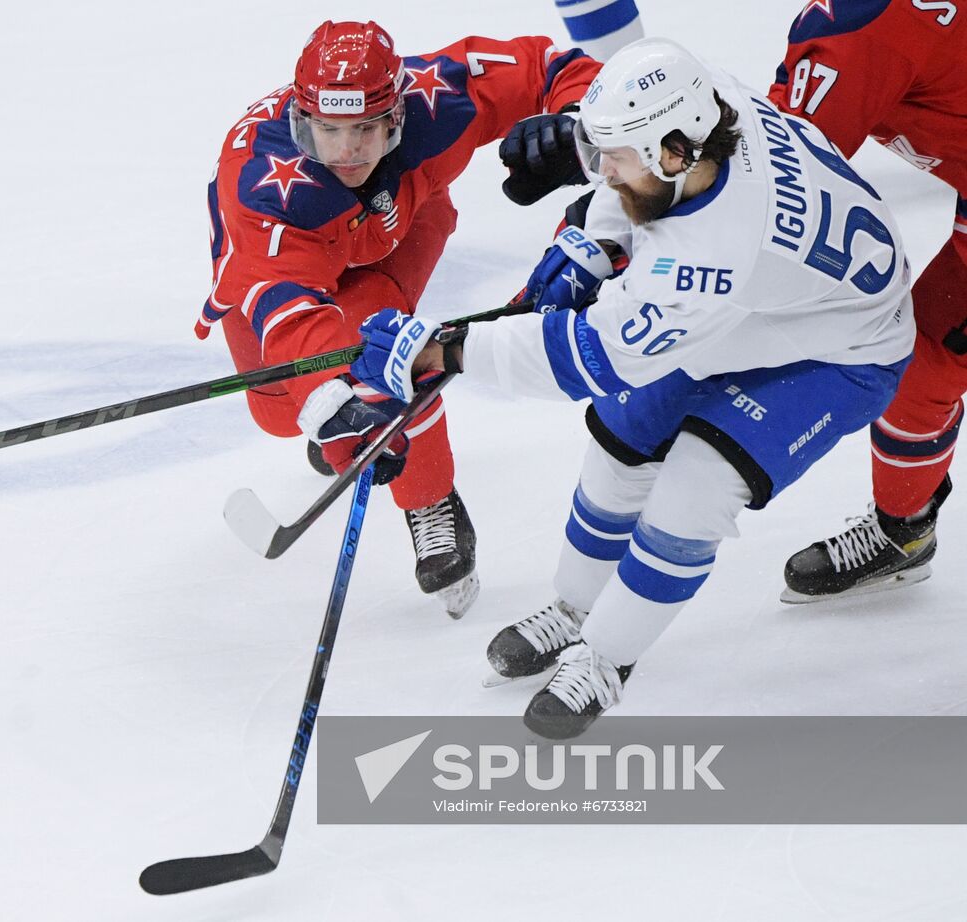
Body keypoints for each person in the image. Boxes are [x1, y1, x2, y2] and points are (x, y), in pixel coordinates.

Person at [348, 38, 915, 737]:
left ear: (675, 153)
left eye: (613, 156)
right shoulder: (706, 102)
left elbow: (587, 359)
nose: (599, 167)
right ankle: (573, 608)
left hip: (842, 348)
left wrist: (444, 349)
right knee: (620, 441)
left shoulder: (706, 261)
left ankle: (607, 658)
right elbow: (642, 185)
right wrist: (594, 236)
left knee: (694, 490)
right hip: (776, 299)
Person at [198, 21, 600, 618]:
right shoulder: (264, 185)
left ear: (398, 115)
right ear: (300, 123)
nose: (346, 152)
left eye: (365, 129)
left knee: (377, 352)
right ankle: (349, 420)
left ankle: (429, 500)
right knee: (280, 412)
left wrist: (574, 126)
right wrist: (329, 403)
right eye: (326, 132)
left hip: (396, 235)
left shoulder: (439, 95)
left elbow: (555, 67)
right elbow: (285, 306)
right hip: (283, 269)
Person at [767, 0, 966, 602]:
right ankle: (902, 527)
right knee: (927, 355)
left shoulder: (859, 26)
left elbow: (783, 182)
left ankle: (902, 527)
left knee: (928, 359)